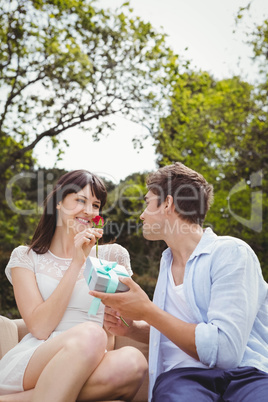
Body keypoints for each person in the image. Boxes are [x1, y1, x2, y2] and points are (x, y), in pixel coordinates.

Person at [90, 162, 268, 402]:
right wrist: (132, 329)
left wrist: (147, 310)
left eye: (147, 202)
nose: (141, 215)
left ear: (167, 203)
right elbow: (180, 330)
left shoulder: (232, 253)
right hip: (183, 379)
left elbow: (225, 351)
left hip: (245, 376)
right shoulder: (167, 262)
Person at [0, 169, 147, 402]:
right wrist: (78, 261)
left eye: (96, 205)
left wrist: (114, 322)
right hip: (37, 356)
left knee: (134, 360)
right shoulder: (26, 257)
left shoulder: (112, 256)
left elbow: (110, 336)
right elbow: (39, 328)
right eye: (80, 200)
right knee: (91, 333)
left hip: (93, 360)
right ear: (58, 202)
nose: (89, 211)